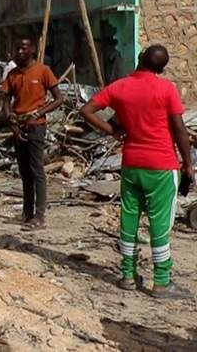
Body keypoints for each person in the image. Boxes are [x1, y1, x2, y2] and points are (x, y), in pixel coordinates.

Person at [79, 45, 195, 299]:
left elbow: (86, 110)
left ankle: (128, 275)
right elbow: (179, 129)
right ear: (162, 69)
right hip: (161, 165)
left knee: (129, 218)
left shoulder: (119, 87)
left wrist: (113, 131)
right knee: (159, 223)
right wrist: (188, 165)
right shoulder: (167, 89)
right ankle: (161, 281)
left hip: (131, 163)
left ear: (141, 57)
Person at [2, 37, 64, 231]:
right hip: (18, 125)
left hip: (36, 126)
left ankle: (39, 215)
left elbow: (59, 99)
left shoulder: (43, 71)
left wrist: (36, 114)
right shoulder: (12, 74)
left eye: (24, 48)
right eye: (17, 48)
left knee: (37, 170)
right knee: (24, 171)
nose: (20, 52)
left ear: (33, 50)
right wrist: (13, 124)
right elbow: (6, 103)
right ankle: (27, 212)